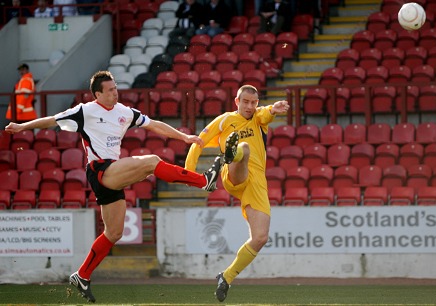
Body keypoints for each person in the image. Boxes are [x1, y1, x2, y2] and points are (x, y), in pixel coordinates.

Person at [4, 70, 222, 303]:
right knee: (151, 162)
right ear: (97, 94)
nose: (115, 92)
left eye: (116, 88)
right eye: (110, 90)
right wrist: (21, 127)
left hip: (113, 172)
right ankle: (203, 181)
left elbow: (154, 125)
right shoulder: (84, 111)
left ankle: (82, 275)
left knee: (114, 233)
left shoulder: (124, 112)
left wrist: (184, 137)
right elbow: (52, 120)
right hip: (100, 170)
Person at [185, 85, 289, 302]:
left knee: (260, 237)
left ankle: (226, 276)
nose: (250, 106)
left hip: (257, 181)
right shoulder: (224, 120)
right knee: (245, 149)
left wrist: (273, 108)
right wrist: (188, 172)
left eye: (254, 102)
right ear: (237, 101)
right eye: (246, 102)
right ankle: (230, 155)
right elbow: (198, 143)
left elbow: (265, 113)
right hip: (234, 174)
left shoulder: (258, 118)